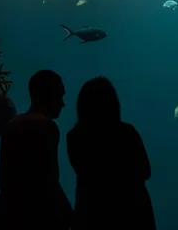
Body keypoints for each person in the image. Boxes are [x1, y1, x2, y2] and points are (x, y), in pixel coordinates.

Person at [0, 70, 72, 230]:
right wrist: (68, 213)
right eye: (59, 96)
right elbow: (50, 180)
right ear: (47, 95)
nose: (63, 103)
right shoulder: (48, 127)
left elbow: (4, 181)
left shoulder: (12, 125)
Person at [66, 76, 155, 230]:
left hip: (92, 213)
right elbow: (145, 171)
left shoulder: (74, 136)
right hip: (133, 212)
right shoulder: (127, 132)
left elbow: (85, 172)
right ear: (113, 103)